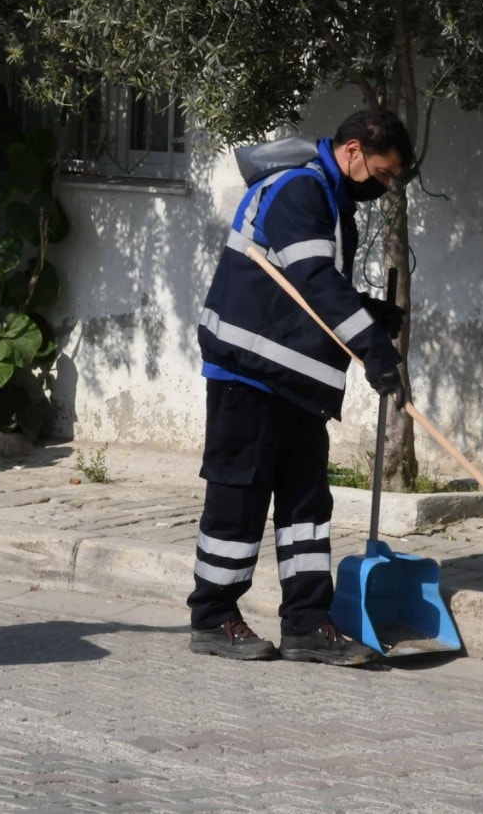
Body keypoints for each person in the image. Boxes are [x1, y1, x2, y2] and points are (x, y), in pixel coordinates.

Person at [188, 109, 413, 666]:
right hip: (249, 371)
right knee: (238, 499)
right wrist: (375, 351)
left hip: (295, 381)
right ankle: (213, 617)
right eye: (382, 174)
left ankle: (308, 625)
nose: (383, 187)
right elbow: (312, 281)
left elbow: (306, 287)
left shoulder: (333, 201)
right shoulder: (300, 189)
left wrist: (367, 312)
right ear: (354, 150)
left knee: (306, 505)